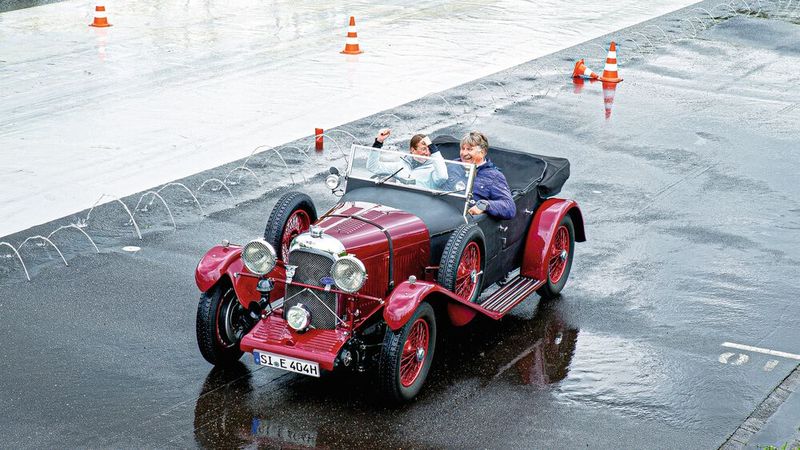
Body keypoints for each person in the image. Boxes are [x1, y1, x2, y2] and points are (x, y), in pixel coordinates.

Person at [448, 131, 516, 220]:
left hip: (466, 221)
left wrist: (485, 205)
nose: (464, 153)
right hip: (445, 211)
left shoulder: (494, 176)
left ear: (482, 152)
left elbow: (509, 207)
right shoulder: (452, 165)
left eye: (469, 149)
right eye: (462, 148)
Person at [366, 128, 449, 190]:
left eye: (429, 149)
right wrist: (378, 142)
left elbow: (442, 177)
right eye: (424, 149)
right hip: (399, 206)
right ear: (413, 150)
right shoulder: (400, 166)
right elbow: (373, 167)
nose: (427, 153)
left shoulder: (433, 169)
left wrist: (435, 152)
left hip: (421, 208)